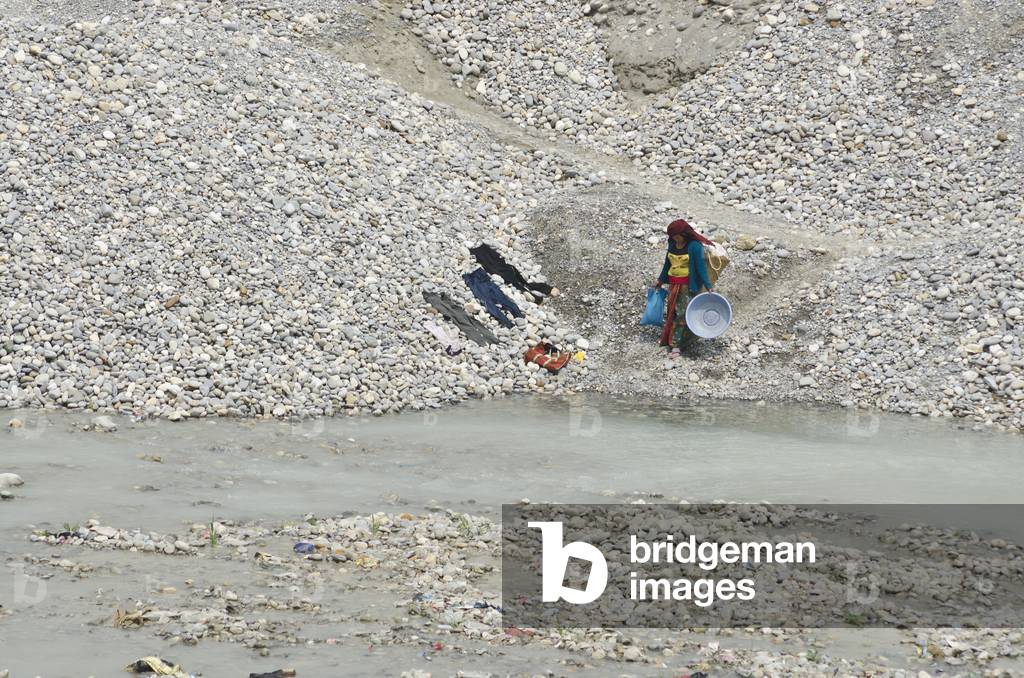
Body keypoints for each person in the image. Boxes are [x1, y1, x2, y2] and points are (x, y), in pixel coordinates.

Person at [653, 219, 715, 353]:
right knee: (671, 312)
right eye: (672, 237)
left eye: (676, 236)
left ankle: (676, 345)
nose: (674, 239)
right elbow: (667, 264)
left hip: (687, 286)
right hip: (673, 285)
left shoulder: (694, 246)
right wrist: (661, 279)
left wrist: (708, 285)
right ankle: (669, 340)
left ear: (683, 234)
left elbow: (700, 268)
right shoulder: (672, 244)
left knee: (682, 314)